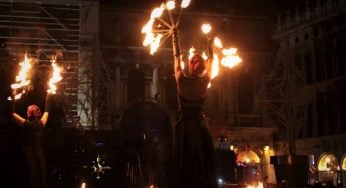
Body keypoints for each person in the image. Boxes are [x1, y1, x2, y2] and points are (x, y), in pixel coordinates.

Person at [172, 28, 217, 188]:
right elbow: (177, 59)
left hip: (194, 124)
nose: (197, 62)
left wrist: (210, 41)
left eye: (199, 60)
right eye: (195, 60)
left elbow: (210, 58)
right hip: (190, 124)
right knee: (188, 161)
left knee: (199, 161)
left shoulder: (201, 79)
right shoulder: (186, 79)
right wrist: (175, 38)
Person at [11, 93, 51, 188]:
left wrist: (48, 98)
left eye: (35, 109)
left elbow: (47, 111)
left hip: (35, 147)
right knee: (34, 169)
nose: (33, 109)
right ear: (28, 113)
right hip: (29, 148)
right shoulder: (34, 123)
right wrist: (48, 98)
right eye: (31, 109)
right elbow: (47, 111)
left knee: (40, 169)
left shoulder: (38, 123)